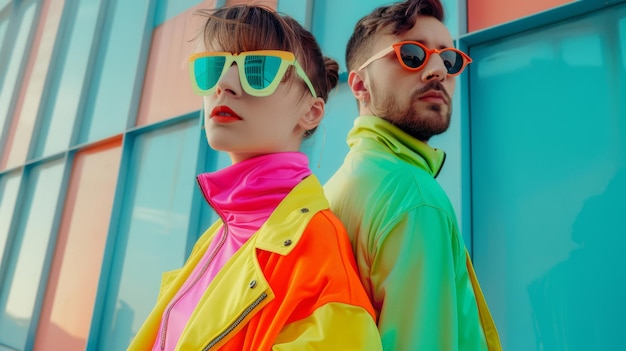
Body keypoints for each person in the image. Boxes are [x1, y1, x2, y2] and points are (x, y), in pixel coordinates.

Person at [127, 5, 382, 351]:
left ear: (311, 111)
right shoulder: (218, 235)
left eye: (258, 70)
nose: (224, 85)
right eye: (213, 67)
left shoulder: (317, 248)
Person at [324, 0, 501, 350]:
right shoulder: (413, 198)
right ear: (360, 86)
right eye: (412, 54)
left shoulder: (336, 188)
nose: (438, 71)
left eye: (449, 59)